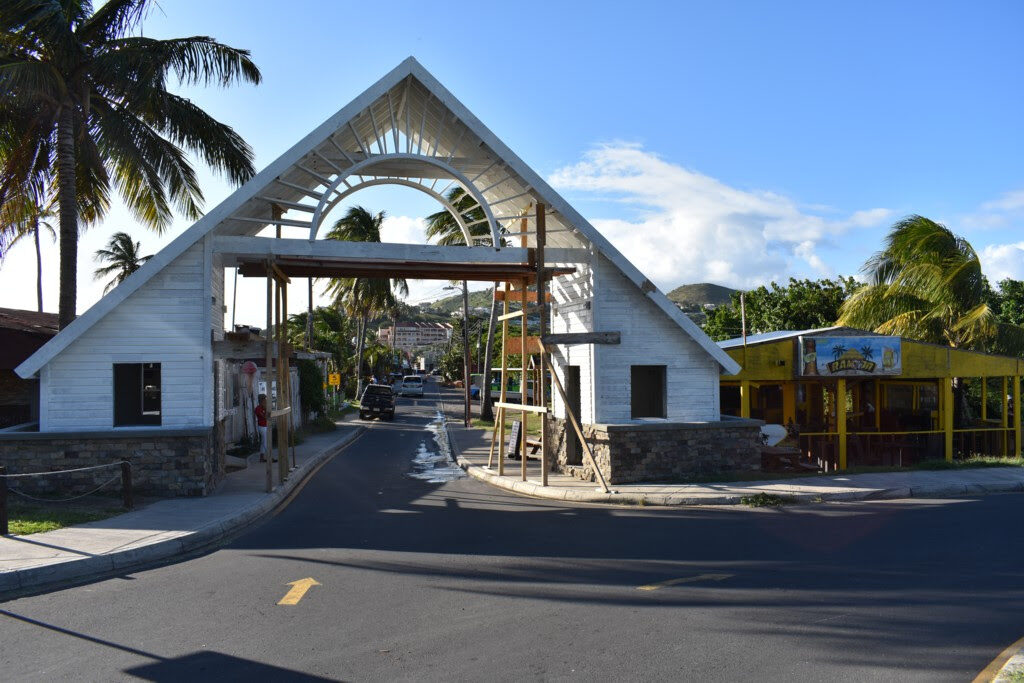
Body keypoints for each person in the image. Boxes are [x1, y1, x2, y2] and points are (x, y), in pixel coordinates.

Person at [255, 393, 269, 461]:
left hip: (265, 426)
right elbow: (265, 417)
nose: (266, 401)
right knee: (265, 442)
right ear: (261, 400)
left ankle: (262, 457)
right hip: (262, 427)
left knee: (263, 442)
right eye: (264, 399)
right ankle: (269, 456)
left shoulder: (264, 407)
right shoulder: (258, 409)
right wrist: (266, 409)